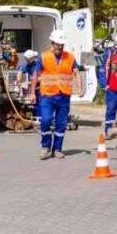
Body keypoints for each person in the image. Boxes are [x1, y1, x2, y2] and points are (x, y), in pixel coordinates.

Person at [35, 30, 79, 160]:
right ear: (52, 43)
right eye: (58, 44)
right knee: (46, 120)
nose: (60, 47)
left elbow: (76, 72)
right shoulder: (44, 57)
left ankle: (57, 149)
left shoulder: (70, 57)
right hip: (47, 95)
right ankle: (45, 147)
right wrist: (32, 92)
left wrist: (80, 88)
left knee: (61, 124)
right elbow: (36, 74)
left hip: (64, 95)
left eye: (62, 45)